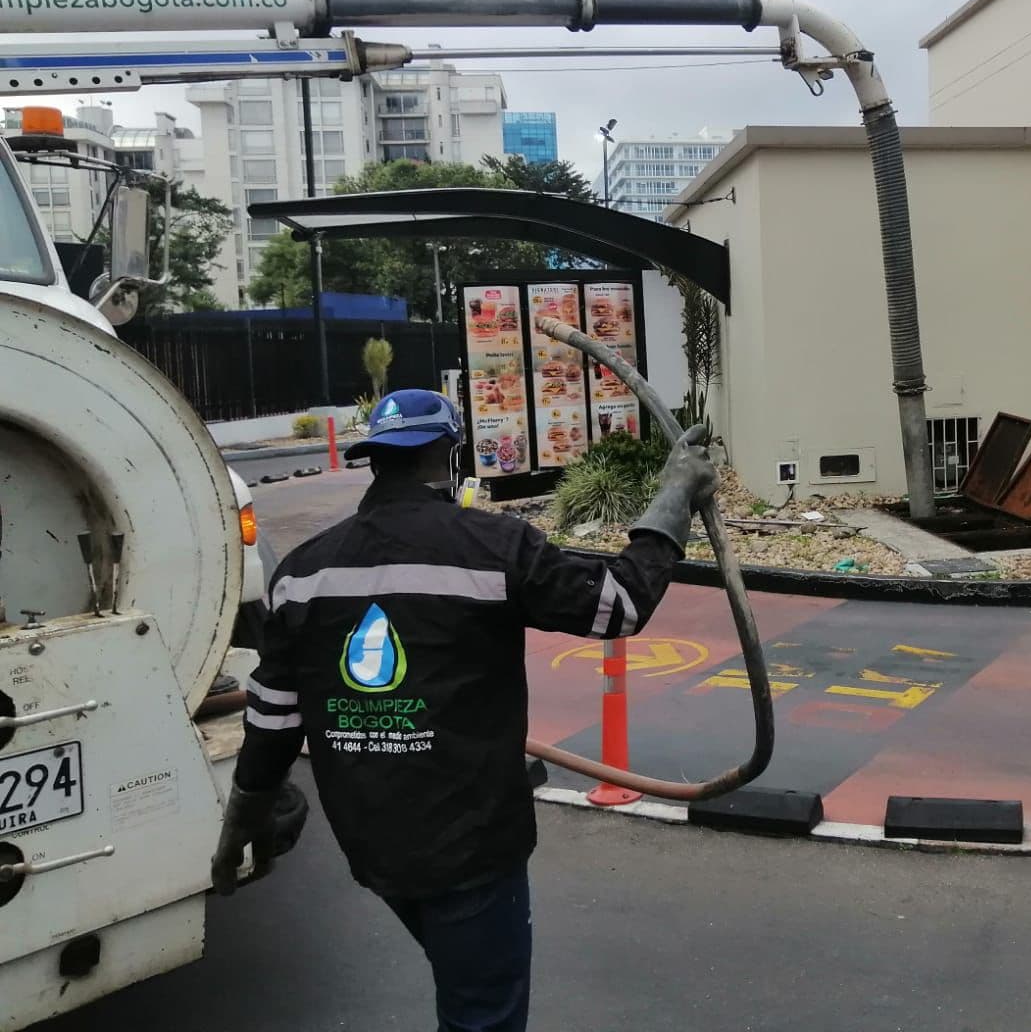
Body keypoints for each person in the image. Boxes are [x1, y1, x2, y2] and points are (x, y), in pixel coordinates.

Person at [210, 388, 717, 1032]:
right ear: (450, 457)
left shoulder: (303, 573)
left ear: (374, 460)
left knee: (464, 983)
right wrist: (673, 496)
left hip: (370, 845)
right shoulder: (495, 548)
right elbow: (618, 605)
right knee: (482, 1014)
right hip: (470, 847)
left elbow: (273, 716)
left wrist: (242, 822)